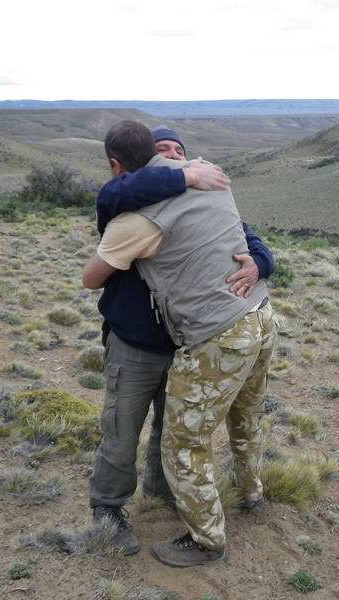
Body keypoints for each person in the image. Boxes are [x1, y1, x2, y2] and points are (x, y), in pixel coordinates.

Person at [83, 120, 277, 568]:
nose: (171, 157)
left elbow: (242, 236)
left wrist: (259, 264)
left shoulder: (202, 194)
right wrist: (182, 175)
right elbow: (108, 204)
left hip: (189, 341)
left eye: (179, 152)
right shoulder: (130, 209)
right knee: (121, 429)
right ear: (138, 168)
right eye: (162, 153)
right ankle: (108, 507)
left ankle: (165, 491)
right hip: (134, 342)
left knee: (172, 429)